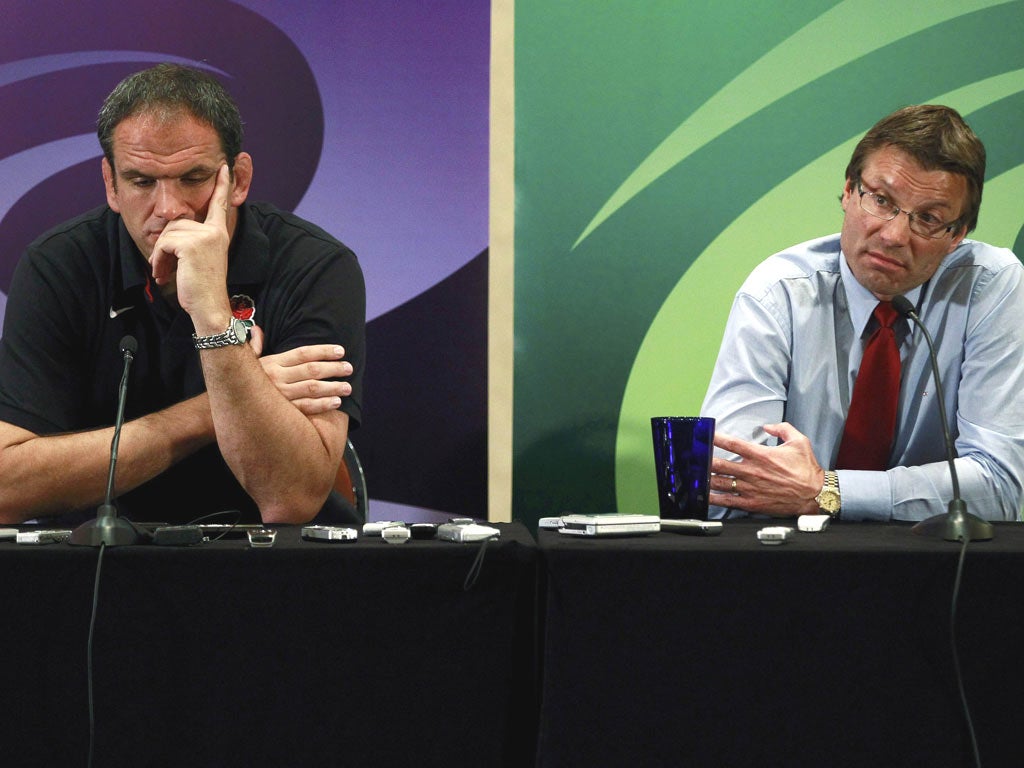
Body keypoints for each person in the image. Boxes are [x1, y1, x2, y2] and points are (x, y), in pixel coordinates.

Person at [0, 63, 365, 526]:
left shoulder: (314, 266)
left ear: (239, 179)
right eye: (142, 182)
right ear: (111, 184)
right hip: (99, 569)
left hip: (269, 567)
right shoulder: (60, 265)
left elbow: (289, 499)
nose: (169, 209)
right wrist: (211, 411)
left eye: (193, 178)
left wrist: (213, 315)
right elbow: (6, 489)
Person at [701, 104, 1024, 522]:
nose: (893, 235)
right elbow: (728, 483)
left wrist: (828, 491)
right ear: (849, 191)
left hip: (935, 572)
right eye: (881, 200)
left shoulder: (989, 288)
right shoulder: (778, 294)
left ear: (956, 236)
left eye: (928, 218)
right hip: (790, 564)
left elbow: (999, 487)